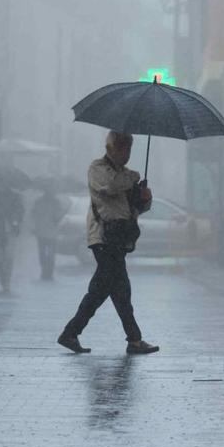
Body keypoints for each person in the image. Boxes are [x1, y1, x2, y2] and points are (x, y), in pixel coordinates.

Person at [58, 131, 160, 355]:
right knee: (117, 288)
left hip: (120, 237)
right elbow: (109, 187)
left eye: (129, 148)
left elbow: (134, 208)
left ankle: (71, 333)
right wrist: (132, 179)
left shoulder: (127, 174)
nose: (126, 153)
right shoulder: (98, 169)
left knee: (108, 290)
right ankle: (133, 339)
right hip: (103, 237)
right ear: (110, 148)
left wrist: (144, 198)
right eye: (122, 148)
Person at [31, 184, 67, 280]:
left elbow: (33, 215)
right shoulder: (55, 202)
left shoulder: (39, 202)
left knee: (43, 253)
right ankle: (48, 272)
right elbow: (58, 216)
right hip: (50, 232)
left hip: (43, 232)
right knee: (49, 253)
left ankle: (45, 271)